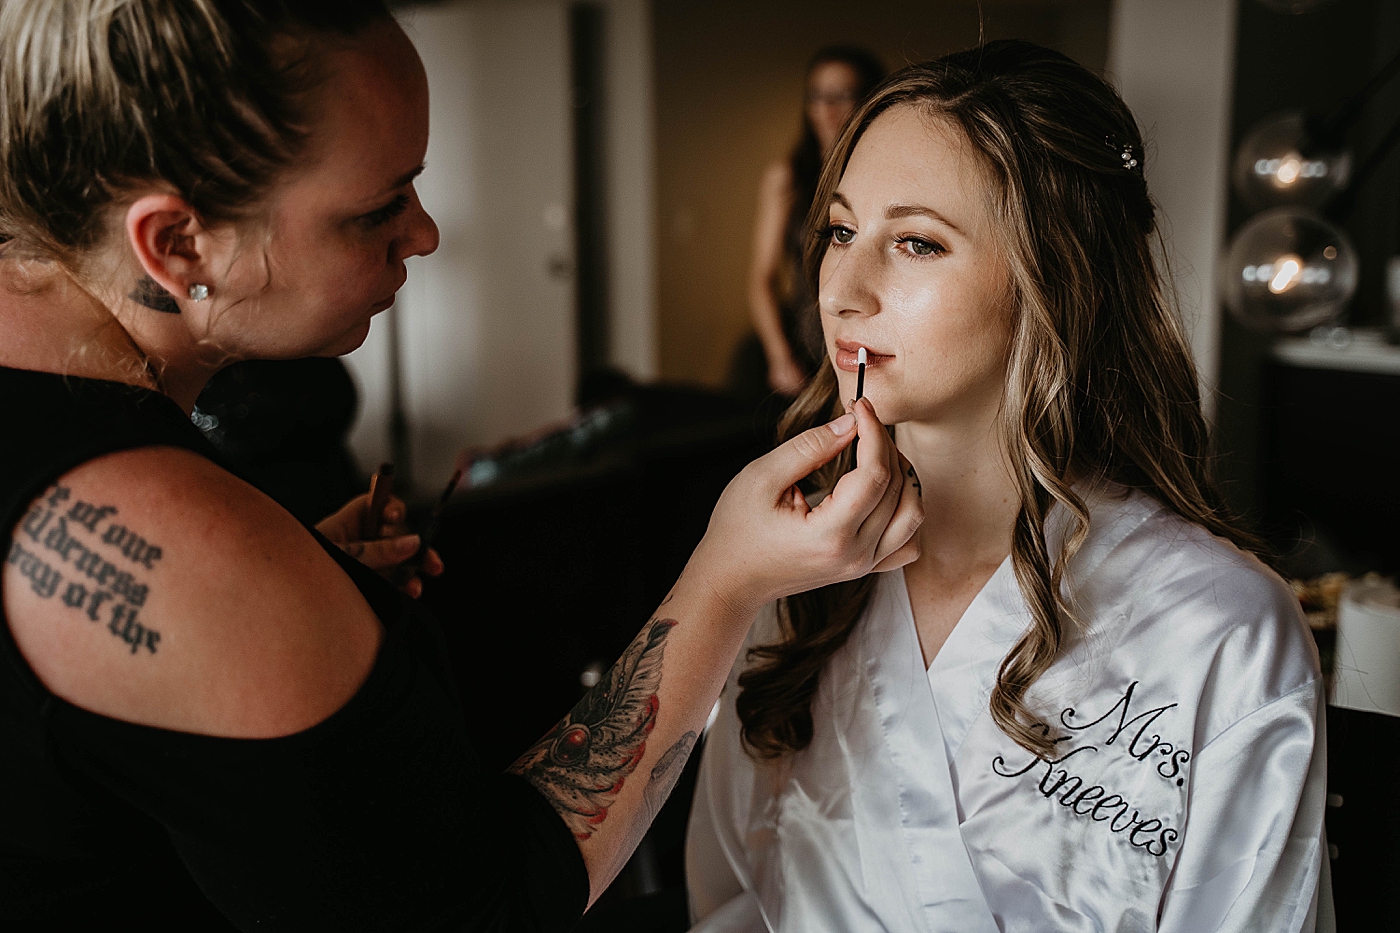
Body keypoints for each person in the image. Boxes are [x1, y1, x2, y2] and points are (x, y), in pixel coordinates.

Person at [0, 3, 923, 931]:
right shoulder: (179, 540)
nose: (426, 233)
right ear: (177, 244)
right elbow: (484, 909)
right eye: (377, 209)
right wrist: (728, 577)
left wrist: (290, 594)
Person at [687, 41, 1331, 933]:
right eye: (840, 231)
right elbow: (726, 897)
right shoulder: (795, 579)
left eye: (915, 242)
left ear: (1056, 279)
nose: (843, 289)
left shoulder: (1223, 628)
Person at [731, 46, 884, 401]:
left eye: (842, 95)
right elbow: (762, 277)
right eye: (817, 96)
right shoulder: (787, 178)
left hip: (864, 335)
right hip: (802, 344)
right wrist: (778, 355)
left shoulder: (879, 175)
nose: (827, 109)